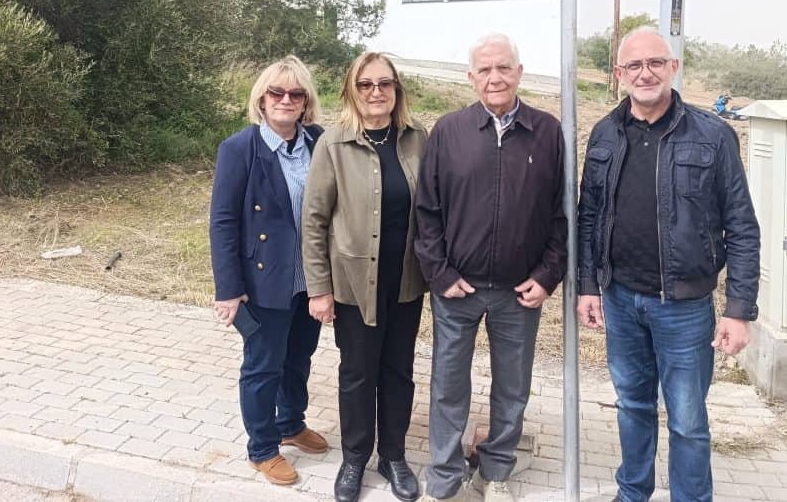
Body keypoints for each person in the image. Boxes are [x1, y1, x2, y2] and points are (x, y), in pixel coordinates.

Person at [576, 28, 761, 502]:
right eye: (634, 66)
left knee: (687, 420)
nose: (645, 73)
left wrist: (739, 309)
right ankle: (633, 492)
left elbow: (741, 224)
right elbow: (589, 216)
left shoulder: (713, 135)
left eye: (655, 62)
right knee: (632, 405)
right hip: (619, 299)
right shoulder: (604, 133)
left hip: (683, 307)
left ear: (673, 67)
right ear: (619, 75)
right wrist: (587, 287)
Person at [414, 33, 567, 502]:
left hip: (519, 292)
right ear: (471, 77)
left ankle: (495, 470)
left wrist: (546, 277)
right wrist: (439, 273)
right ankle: (443, 475)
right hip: (457, 289)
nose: (495, 77)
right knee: (448, 385)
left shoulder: (548, 131)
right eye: (485, 70)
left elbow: (562, 214)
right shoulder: (449, 130)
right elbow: (428, 211)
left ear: (520, 72)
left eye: (504, 68)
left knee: (512, 387)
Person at [302, 52, 428, 502]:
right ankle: (354, 458)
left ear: (397, 90)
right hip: (354, 287)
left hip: (406, 283)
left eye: (385, 84)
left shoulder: (417, 139)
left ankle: (392, 456)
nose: (377, 92)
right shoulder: (333, 145)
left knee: (398, 372)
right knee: (357, 373)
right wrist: (319, 289)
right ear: (351, 91)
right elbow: (314, 221)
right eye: (366, 84)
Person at [209, 55, 330, 486]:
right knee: (263, 366)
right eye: (276, 92)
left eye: (295, 94)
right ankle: (262, 448)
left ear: (305, 102)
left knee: (299, 357)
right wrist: (229, 288)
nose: (285, 100)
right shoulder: (240, 148)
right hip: (263, 281)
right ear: (262, 99)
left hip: (310, 280)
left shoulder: (320, 141)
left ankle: (291, 423)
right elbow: (223, 220)